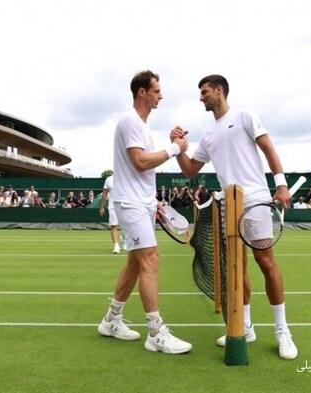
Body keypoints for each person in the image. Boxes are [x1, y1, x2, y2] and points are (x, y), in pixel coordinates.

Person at [171, 74, 297, 359]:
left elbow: (268, 148)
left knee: (265, 262)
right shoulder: (207, 134)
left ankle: (282, 331)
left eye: (204, 91)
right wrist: (179, 147)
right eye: (200, 92)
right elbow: (190, 169)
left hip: (255, 202)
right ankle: (246, 326)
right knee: (237, 269)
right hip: (229, 206)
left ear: (219, 90)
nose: (201, 96)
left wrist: (281, 184)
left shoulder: (244, 116)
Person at [98, 70, 191, 355]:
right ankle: (156, 332)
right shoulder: (129, 121)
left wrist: (155, 203)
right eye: (156, 90)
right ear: (142, 92)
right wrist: (174, 149)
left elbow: (143, 169)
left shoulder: (142, 128)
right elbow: (139, 162)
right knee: (151, 259)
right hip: (130, 205)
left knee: (136, 264)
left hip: (141, 203)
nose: (160, 95)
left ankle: (111, 320)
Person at [99, 173, 124, 254]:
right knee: (114, 225)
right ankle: (116, 246)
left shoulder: (127, 177)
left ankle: (124, 239)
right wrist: (102, 207)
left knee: (128, 226)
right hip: (113, 206)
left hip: (126, 205)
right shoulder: (109, 179)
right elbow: (105, 193)